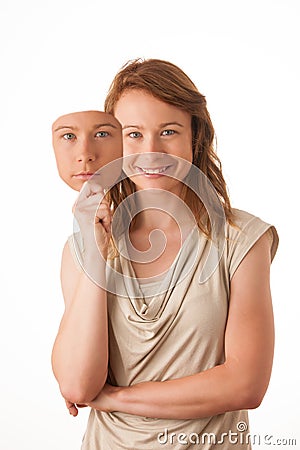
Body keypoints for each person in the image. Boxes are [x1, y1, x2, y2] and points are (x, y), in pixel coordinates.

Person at [52, 60, 279, 450]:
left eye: (168, 131)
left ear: (195, 137)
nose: (151, 150)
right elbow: (76, 384)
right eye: (133, 134)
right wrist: (96, 252)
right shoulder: (83, 248)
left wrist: (115, 398)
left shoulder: (241, 239)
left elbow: (246, 384)